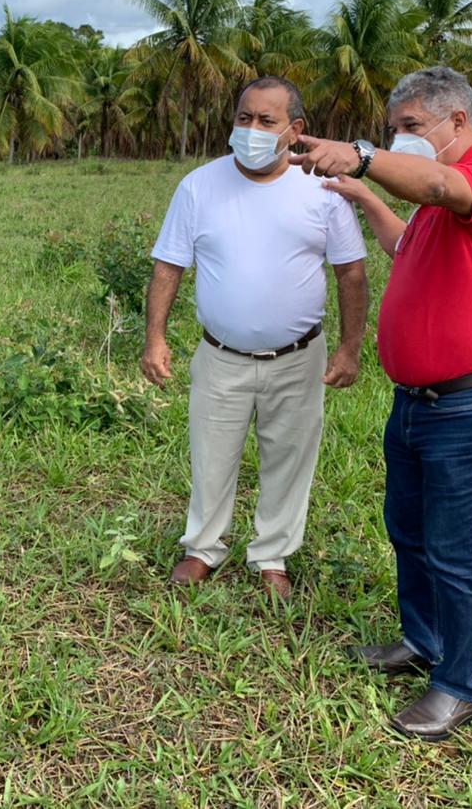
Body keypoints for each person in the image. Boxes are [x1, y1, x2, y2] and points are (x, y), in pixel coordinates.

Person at [290, 65, 472, 741]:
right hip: (422, 404)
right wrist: (364, 197)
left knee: (460, 551)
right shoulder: (439, 210)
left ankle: (460, 685)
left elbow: (436, 182)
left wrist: (365, 159)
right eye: (392, 129)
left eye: (411, 128)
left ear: (458, 122)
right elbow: (407, 244)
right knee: (410, 531)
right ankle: (424, 641)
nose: (400, 140)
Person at [141, 76, 369, 601]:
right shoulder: (199, 186)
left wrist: (349, 348)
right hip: (221, 356)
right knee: (211, 454)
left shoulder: (323, 189)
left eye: (267, 121)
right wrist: (155, 338)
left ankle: (272, 556)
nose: (251, 129)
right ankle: (203, 548)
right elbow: (169, 266)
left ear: (295, 130)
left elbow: (351, 274)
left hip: (298, 357)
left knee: (289, 457)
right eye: (244, 118)